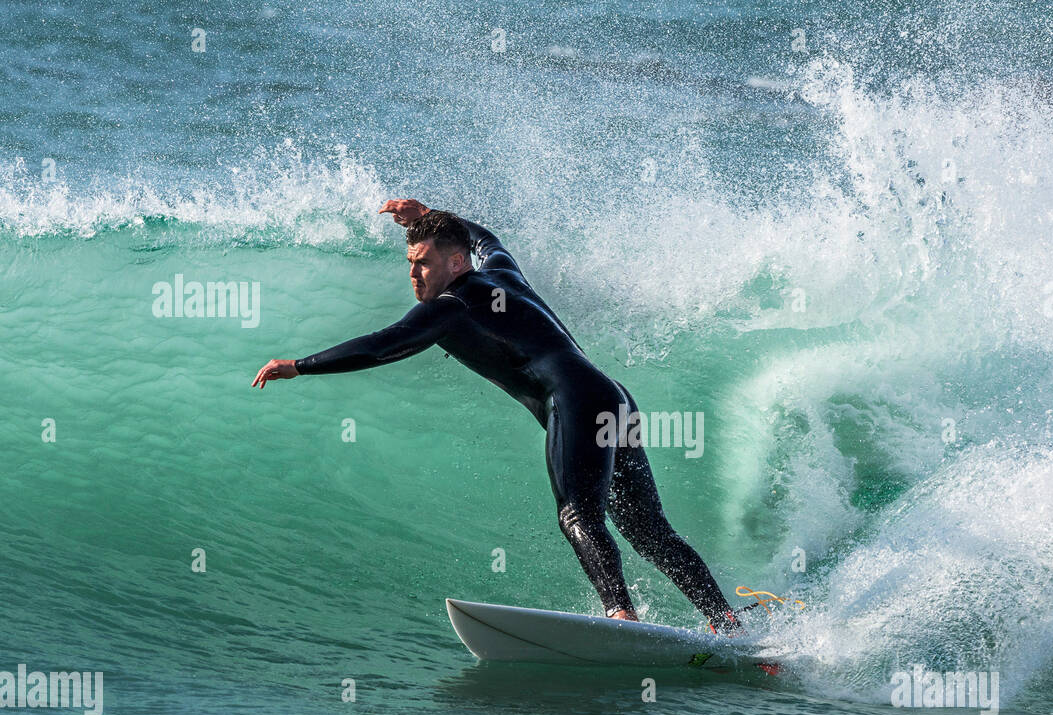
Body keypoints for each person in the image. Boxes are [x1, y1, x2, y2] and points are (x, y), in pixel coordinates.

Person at [252, 199, 743, 635]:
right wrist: (426, 217)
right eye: (410, 265)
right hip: (613, 398)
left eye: (423, 264)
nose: (414, 275)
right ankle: (725, 621)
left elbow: (384, 346)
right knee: (649, 532)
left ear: (455, 262)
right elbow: (489, 239)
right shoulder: (505, 275)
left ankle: (621, 617)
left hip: (574, 402)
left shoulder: (450, 306)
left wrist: (300, 366)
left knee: (579, 515)